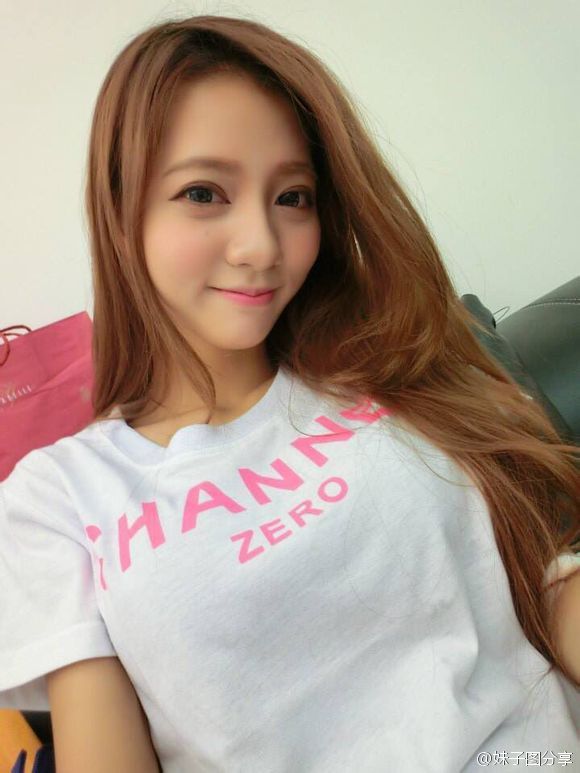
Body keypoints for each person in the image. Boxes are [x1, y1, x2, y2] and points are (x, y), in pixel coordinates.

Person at [1, 14, 579, 773]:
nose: (262, 246)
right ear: (121, 207)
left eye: (293, 197)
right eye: (203, 192)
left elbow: (542, 583)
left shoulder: (384, 360)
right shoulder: (57, 498)